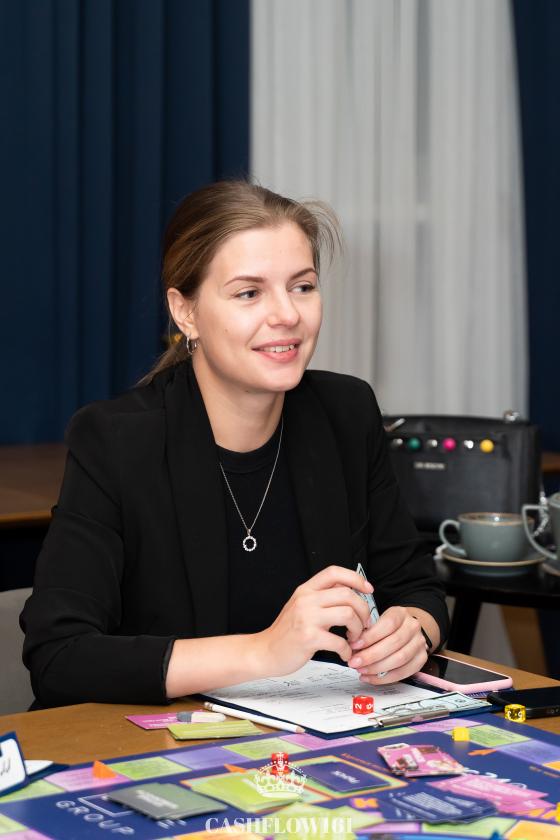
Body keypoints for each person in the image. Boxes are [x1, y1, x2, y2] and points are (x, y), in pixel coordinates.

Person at [21, 181, 449, 708]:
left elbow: (416, 588)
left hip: (316, 738)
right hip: (151, 742)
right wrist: (264, 650)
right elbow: (60, 657)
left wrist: (412, 632)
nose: (287, 314)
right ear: (186, 312)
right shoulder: (116, 439)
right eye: (249, 293)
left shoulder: (346, 411)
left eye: (302, 286)